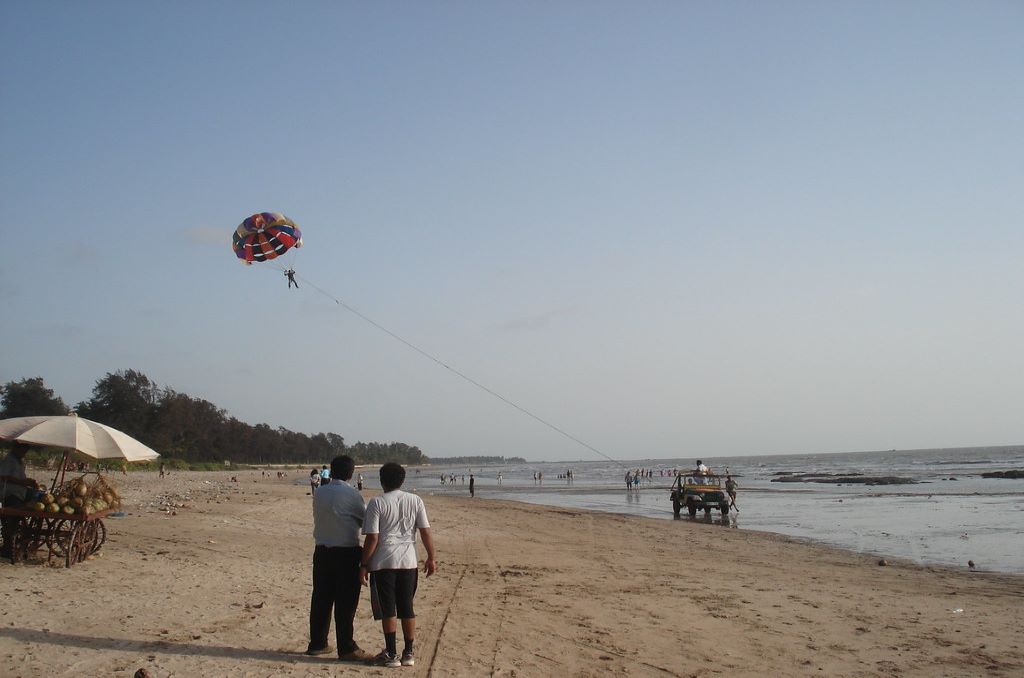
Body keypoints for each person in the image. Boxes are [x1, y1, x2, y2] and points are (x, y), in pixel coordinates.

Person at [360, 462, 436, 668]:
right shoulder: (415, 500)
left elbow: (373, 538)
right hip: (408, 561)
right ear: (402, 480)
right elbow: (425, 531)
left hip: (383, 562)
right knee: (406, 608)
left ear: (382, 480)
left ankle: (392, 653)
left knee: (388, 609)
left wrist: (363, 564)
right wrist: (431, 557)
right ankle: (408, 652)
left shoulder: (377, 502)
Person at [307, 455, 372, 661]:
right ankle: (346, 646)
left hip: (322, 551)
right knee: (346, 602)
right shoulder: (353, 495)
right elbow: (364, 522)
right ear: (350, 474)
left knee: (321, 598)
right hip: (346, 552)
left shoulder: (320, 493)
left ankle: (317, 642)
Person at [1, 444, 42, 558]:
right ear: (16, 448)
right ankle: (8, 548)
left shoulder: (18, 461)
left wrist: (27, 481)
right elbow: (4, 477)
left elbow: (18, 478)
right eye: (23, 450)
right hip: (10, 494)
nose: (24, 453)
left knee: (16, 520)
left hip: (19, 494)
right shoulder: (9, 460)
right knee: (11, 522)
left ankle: (12, 545)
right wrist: (23, 482)